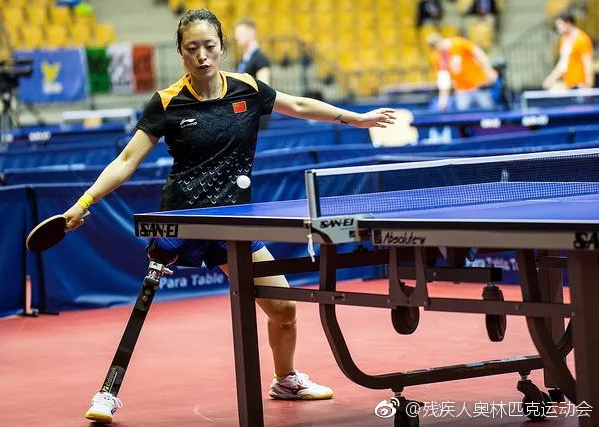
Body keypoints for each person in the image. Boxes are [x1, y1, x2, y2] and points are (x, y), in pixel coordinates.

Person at [65, 9, 396, 424]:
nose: (202, 55)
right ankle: (106, 393)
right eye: (192, 48)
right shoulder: (166, 102)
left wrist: (356, 119)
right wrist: (84, 202)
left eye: (209, 46)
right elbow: (127, 160)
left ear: (222, 47)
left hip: (234, 221)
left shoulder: (247, 88)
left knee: (284, 310)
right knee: (144, 303)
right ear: (181, 53)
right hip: (183, 218)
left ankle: (285, 379)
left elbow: (297, 104)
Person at [426, 33, 498, 112]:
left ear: (440, 41)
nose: (438, 50)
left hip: (479, 84)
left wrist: (488, 71)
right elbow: (443, 77)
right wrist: (443, 98)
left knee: (488, 109)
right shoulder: (436, 56)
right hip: (461, 89)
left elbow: (479, 54)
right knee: (463, 113)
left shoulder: (458, 43)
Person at [543, 11, 594, 90]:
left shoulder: (582, 39)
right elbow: (563, 63)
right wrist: (551, 78)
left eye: (560, 24)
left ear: (568, 23)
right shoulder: (563, 40)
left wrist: (589, 84)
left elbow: (587, 62)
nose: (558, 27)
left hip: (581, 84)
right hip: (569, 83)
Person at [233, 18, 270, 84]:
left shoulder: (260, 58)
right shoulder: (244, 58)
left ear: (251, 33)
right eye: (236, 34)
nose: (236, 37)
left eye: (241, 33)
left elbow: (265, 87)